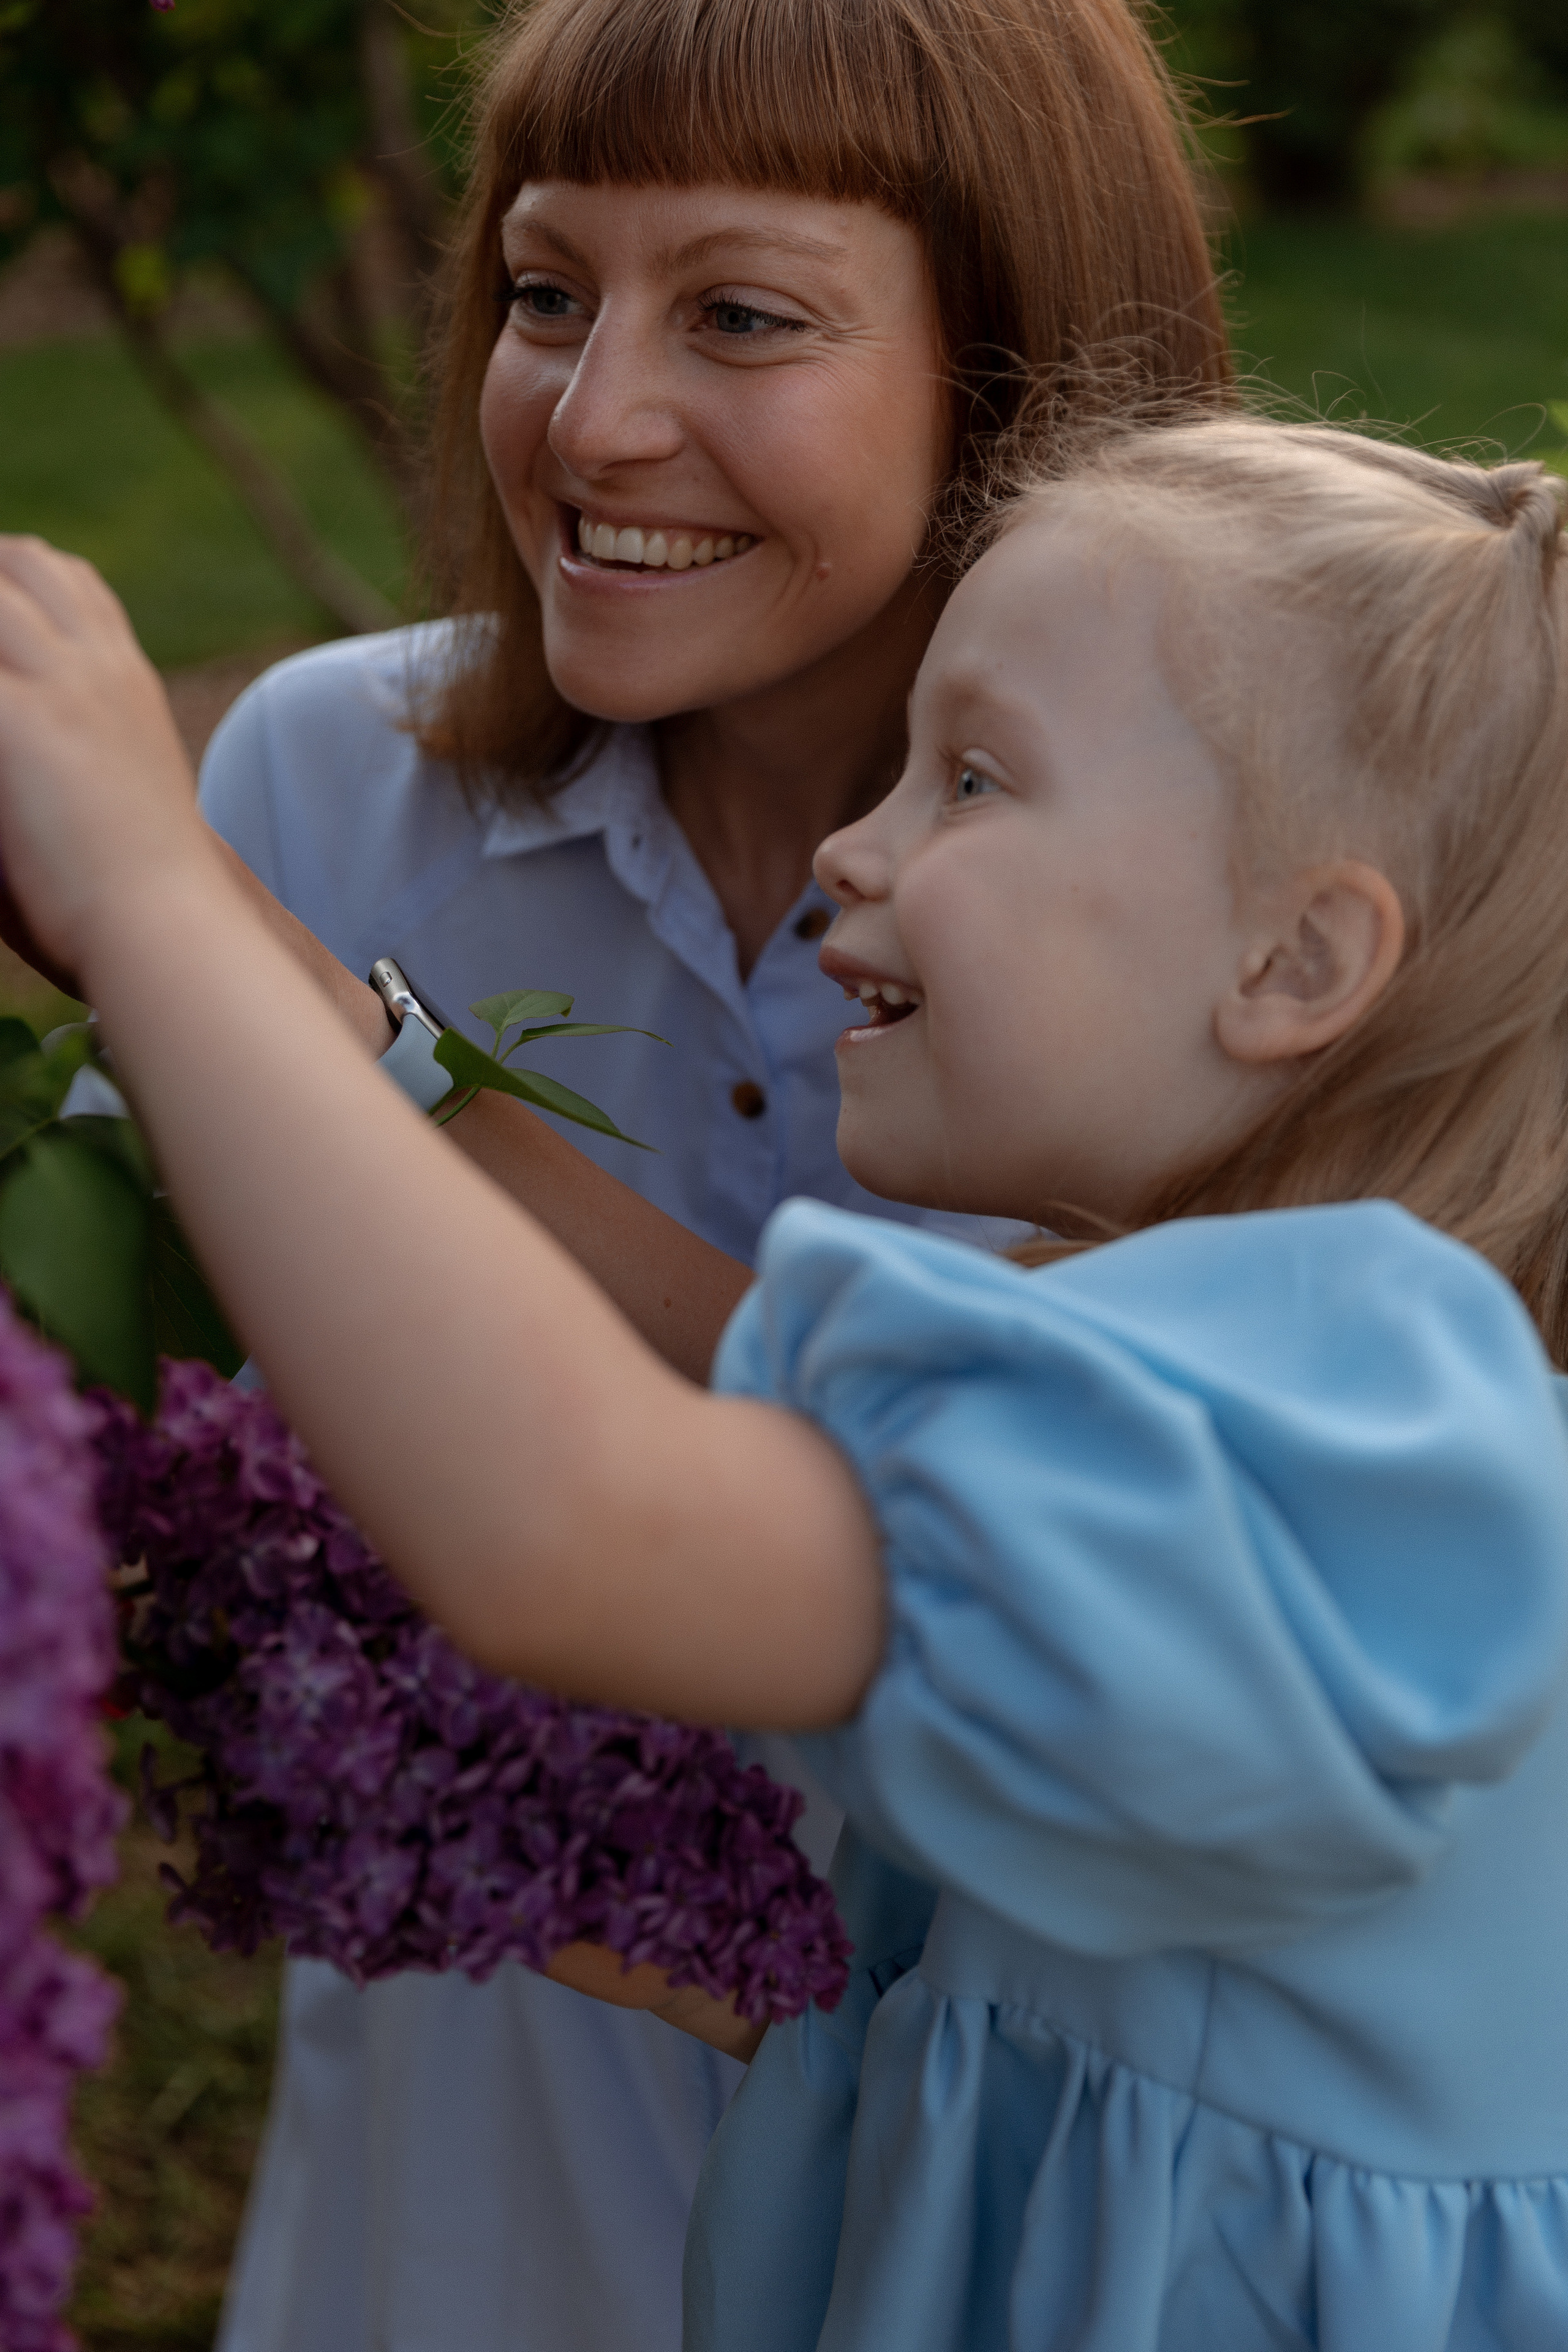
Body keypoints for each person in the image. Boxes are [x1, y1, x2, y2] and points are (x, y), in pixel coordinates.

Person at [5, 412, 1568, 2349]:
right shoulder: (1224, 1367)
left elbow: (576, 1521)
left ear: (1298, 959)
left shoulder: (1343, 1462)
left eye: (975, 778)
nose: (859, 842)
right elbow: (728, 1360)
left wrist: (152, 902)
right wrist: (324, 1016)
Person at [159, 0, 1231, 2340]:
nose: (593, 413)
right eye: (549, 294)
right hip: (439, 2231)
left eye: (739, 313)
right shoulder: (325, 796)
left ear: (1020, 372)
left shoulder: (1235, 961)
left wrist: (318, 1039)